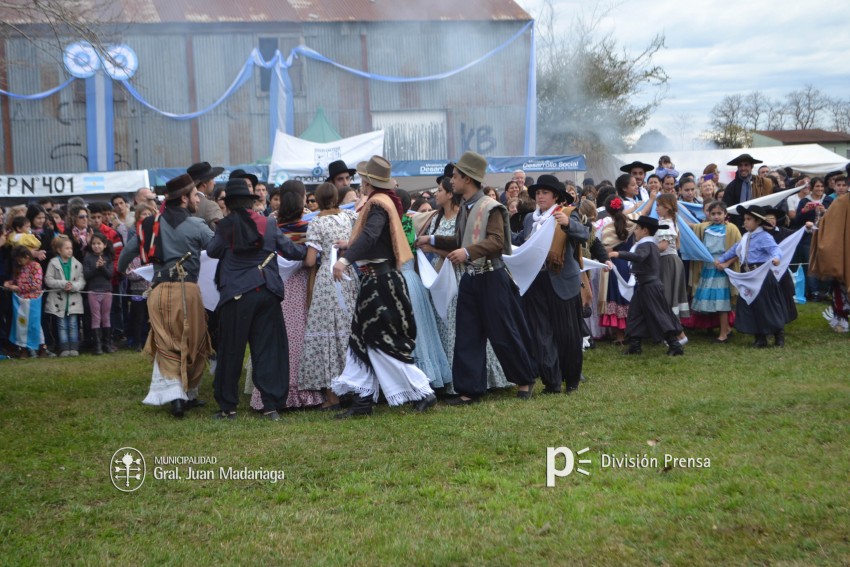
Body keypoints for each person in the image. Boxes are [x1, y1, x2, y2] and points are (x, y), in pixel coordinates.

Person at [417, 151, 537, 404]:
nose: (453, 181)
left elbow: (496, 241)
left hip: (492, 278)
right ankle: (469, 390)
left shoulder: (490, 207)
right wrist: (433, 240)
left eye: (457, 177)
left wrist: (467, 251)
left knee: (503, 332)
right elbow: (460, 240)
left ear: (468, 180)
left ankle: (525, 380)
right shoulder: (467, 207)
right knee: (468, 333)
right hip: (472, 278)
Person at [331, 155, 437, 417]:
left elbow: (370, 235)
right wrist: (349, 245)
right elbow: (373, 239)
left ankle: (423, 391)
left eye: (362, 179)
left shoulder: (378, 204)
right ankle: (362, 401)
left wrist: (345, 259)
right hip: (378, 279)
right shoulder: (384, 201)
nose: (360, 183)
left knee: (381, 342)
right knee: (364, 340)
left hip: (381, 283)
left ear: (368, 181)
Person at [207, 178, 307, 421]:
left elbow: (212, 251)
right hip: (266, 291)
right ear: (251, 202)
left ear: (229, 204)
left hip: (236, 295)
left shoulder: (225, 226)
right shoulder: (268, 223)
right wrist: (313, 250)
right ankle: (271, 406)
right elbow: (292, 251)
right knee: (268, 349)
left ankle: (228, 408)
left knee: (231, 350)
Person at [118, 173, 215, 418]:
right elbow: (217, 248)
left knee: (166, 342)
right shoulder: (196, 225)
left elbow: (125, 257)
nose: (197, 199)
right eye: (194, 195)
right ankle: (186, 394)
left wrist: (120, 271)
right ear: (184, 199)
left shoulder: (148, 225)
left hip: (160, 291)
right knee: (194, 341)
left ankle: (177, 397)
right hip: (188, 290)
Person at [248, 188, 325, 411]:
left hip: (274, 284)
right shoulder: (308, 227)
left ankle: (271, 387)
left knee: (275, 337)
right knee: (300, 335)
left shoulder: (270, 226)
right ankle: (301, 390)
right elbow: (311, 257)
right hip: (301, 283)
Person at [518, 175, 588, 393]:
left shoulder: (566, 213)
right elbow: (520, 239)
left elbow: (584, 234)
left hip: (561, 280)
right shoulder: (530, 218)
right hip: (537, 281)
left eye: (544, 193)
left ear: (555, 196)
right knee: (541, 332)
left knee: (567, 333)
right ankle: (552, 382)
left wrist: (568, 225)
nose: (540, 196)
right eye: (538, 193)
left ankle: (572, 380)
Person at [300, 182, 360, 410]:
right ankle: (355, 387)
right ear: (336, 197)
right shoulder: (348, 217)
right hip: (347, 273)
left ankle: (332, 395)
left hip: (327, 276)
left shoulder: (316, 223)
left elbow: (309, 260)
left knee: (327, 332)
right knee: (348, 328)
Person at [608, 216, 685, 356]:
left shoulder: (645, 245)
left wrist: (619, 254)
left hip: (650, 287)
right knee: (636, 314)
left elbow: (639, 257)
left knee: (659, 315)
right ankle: (635, 345)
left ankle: (675, 345)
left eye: (637, 228)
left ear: (644, 231)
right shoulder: (650, 244)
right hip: (645, 286)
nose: (635, 231)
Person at [716, 205, 789, 348]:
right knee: (753, 306)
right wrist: (721, 259)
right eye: (745, 219)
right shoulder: (745, 237)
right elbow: (734, 250)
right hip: (748, 276)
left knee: (767, 306)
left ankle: (778, 335)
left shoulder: (765, 237)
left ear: (758, 222)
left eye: (749, 219)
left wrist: (776, 258)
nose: (745, 222)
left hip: (761, 276)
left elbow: (775, 249)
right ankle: (760, 337)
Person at [688, 200, 741, 343]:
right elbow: (690, 227)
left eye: (719, 213)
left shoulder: (732, 229)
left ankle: (724, 333)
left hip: (722, 269)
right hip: (708, 267)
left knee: (722, 301)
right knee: (713, 300)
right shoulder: (705, 227)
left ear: (725, 214)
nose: (716, 216)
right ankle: (725, 329)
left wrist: (726, 263)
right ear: (708, 215)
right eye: (713, 214)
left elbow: (739, 248)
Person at [4, 246, 52, 358]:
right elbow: (17, 280)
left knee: (34, 324)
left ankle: (41, 348)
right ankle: (23, 349)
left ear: (26, 257)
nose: (19, 262)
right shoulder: (20, 267)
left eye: (20, 259)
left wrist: (17, 288)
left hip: (33, 300)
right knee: (21, 324)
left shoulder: (36, 266)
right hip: (20, 301)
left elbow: (36, 284)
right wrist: (9, 283)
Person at [654, 194, 690, 341]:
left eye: (658, 206)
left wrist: (647, 251)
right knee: (669, 296)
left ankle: (678, 335)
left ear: (667, 208)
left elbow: (663, 246)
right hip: (672, 260)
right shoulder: (671, 222)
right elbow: (678, 244)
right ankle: (673, 333)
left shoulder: (666, 224)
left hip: (668, 261)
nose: (656, 209)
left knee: (667, 297)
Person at [44, 235, 85, 357]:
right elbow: (48, 280)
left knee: (73, 324)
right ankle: (64, 348)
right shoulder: (53, 263)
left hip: (73, 299)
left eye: (71, 248)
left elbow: (81, 281)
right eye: (66, 248)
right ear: (59, 250)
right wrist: (62, 284)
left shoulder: (77, 264)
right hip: (58, 300)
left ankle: (74, 348)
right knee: (61, 325)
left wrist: (73, 286)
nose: (70, 250)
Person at [83, 232, 116, 355]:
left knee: (106, 317)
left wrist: (102, 267)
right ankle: (97, 346)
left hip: (107, 290)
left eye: (99, 244)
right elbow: (87, 276)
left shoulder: (108, 258)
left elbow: (109, 275)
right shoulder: (88, 258)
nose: (96, 246)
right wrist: (96, 267)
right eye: (94, 244)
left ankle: (107, 344)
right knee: (96, 317)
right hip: (93, 291)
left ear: (105, 245)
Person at [186, 161, 225, 229]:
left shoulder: (183, 203)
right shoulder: (211, 206)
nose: (214, 183)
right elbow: (221, 233)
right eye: (212, 179)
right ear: (204, 183)